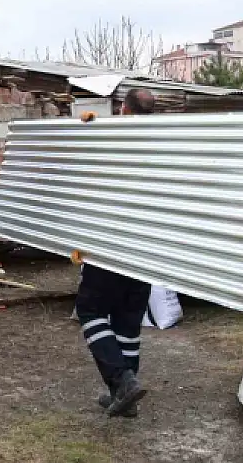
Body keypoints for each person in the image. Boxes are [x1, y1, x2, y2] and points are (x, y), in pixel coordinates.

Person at [75, 88, 156, 418]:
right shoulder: (164, 144)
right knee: (127, 323)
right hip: (147, 249)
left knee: (90, 310)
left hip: (111, 244)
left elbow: (86, 175)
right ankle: (124, 397)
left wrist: (87, 129)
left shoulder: (114, 141)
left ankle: (122, 381)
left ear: (123, 109)